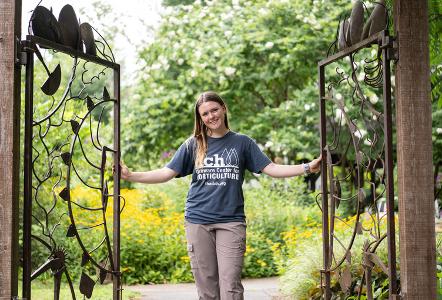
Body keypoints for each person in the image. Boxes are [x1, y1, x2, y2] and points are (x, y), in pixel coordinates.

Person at [119, 91, 321, 300]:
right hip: (198, 221)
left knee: (230, 286)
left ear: (223, 108)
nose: (211, 116)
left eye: (214, 110)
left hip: (231, 222)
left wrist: (307, 167)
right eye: (205, 114)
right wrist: (131, 175)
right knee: (206, 287)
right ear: (200, 118)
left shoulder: (242, 143)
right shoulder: (193, 144)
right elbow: (165, 173)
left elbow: (271, 168)